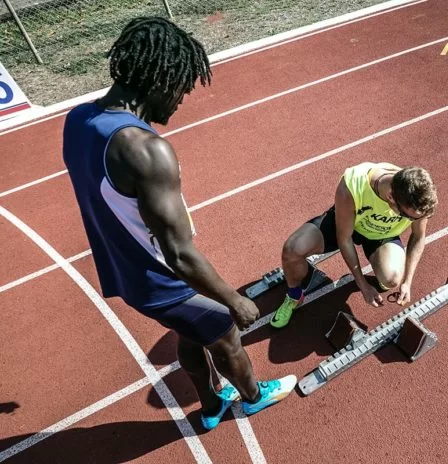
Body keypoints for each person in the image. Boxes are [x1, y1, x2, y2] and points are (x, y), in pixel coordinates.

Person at [62, 17, 295, 430]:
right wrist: (234, 300)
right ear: (157, 80)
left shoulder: (78, 120)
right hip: (161, 278)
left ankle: (209, 406)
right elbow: (179, 253)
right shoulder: (147, 150)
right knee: (224, 332)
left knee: (191, 334)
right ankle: (254, 398)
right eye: (181, 89)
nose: (180, 101)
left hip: (124, 268)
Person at [270, 162, 437, 329]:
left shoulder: (417, 198)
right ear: (391, 197)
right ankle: (294, 297)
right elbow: (345, 239)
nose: (413, 221)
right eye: (409, 217)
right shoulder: (352, 185)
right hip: (348, 221)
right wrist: (362, 284)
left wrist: (407, 281)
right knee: (291, 250)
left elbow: (418, 235)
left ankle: (382, 263)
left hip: (382, 234)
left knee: (392, 279)